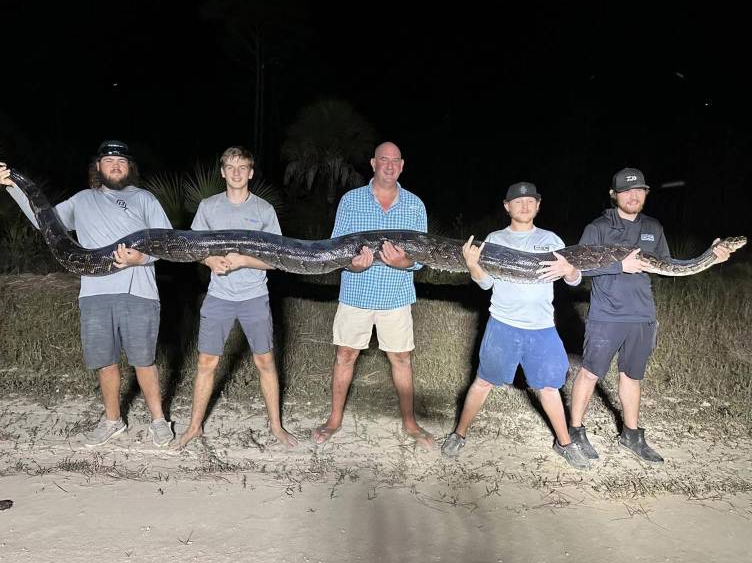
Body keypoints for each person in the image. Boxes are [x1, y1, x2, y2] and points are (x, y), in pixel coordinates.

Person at [0, 140, 175, 447]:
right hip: (95, 294)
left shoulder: (144, 198)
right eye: (109, 160)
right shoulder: (83, 200)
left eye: (122, 161)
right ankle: (113, 421)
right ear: (97, 167)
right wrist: (12, 187)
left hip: (139, 292)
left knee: (144, 360)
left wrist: (142, 258)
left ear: (130, 169)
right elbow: (42, 220)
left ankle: (158, 421)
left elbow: (166, 242)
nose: (115, 165)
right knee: (106, 361)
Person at [568, 168, 733, 463]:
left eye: (639, 190)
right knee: (590, 373)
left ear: (645, 193)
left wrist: (710, 256)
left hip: (642, 315)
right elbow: (579, 268)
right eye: (627, 191)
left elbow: (669, 267)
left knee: (632, 376)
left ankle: (631, 435)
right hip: (606, 315)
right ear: (614, 195)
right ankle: (575, 431)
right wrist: (620, 266)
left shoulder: (653, 227)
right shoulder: (598, 227)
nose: (634, 196)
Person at [440, 182, 590, 469]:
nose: (524, 205)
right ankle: (459, 434)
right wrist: (473, 266)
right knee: (483, 381)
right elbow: (486, 283)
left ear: (538, 205)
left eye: (530, 200)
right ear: (507, 206)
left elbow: (574, 280)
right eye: (517, 201)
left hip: (542, 328)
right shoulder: (494, 240)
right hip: (503, 325)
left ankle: (564, 443)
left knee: (548, 387)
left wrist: (570, 270)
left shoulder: (552, 240)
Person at [311, 141, 433, 449]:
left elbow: (420, 257)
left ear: (402, 166)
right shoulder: (351, 201)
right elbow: (336, 250)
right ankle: (334, 419)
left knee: (401, 359)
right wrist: (353, 265)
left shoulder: (415, 205)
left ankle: (410, 422)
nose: (389, 166)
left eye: (395, 161)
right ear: (373, 163)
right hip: (356, 294)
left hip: (396, 295)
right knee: (345, 355)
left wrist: (403, 262)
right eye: (383, 160)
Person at [175, 146, 297, 449]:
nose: (237, 172)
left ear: (251, 172)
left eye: (243, 167)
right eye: (231, 167)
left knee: (265, 361)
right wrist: (210, 261)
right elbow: (194, 248)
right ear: (222, 171)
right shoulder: (209, 206)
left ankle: (276, 427)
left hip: (254, 296)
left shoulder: (263, 210)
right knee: (206, 362)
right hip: (219, 296)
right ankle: (194, 427)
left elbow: (278, 259)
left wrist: (245, 261)